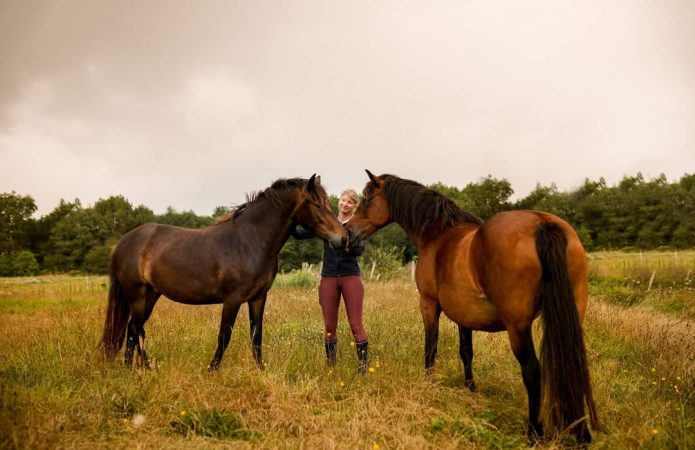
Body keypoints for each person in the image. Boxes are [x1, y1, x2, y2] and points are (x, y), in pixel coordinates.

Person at [290, 189, 368, 372]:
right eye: (343, 200)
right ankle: (331, 365)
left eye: (350, 202)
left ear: (354, 206)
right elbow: (301, 234)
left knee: (356, 324)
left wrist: (348, 245)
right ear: (338, 201)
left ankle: (363, 366)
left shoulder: (357, 225)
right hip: (329, 277)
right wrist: (292, 218)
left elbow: (360, 250)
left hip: (351, 277)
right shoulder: (328, 221)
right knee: (329, 325)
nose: (345, 204)